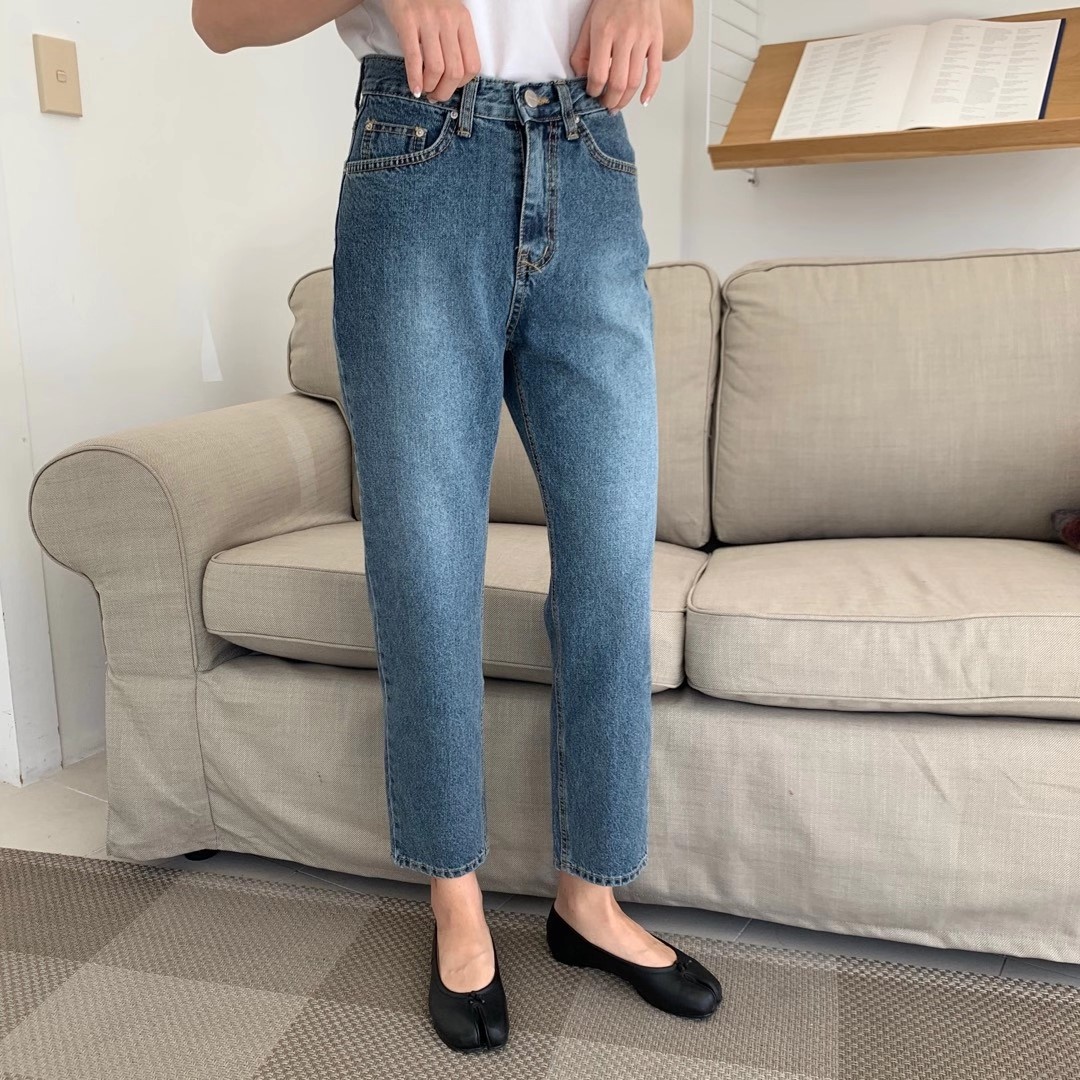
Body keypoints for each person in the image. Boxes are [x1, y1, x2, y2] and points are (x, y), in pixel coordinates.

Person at [192, 0, 722, 1053]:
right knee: (427, 565)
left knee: (616, 562)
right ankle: (455, 899)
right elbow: (218, 19)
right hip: (422, 153)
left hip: (593, 160)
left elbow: (676, 28)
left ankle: (590, 898)